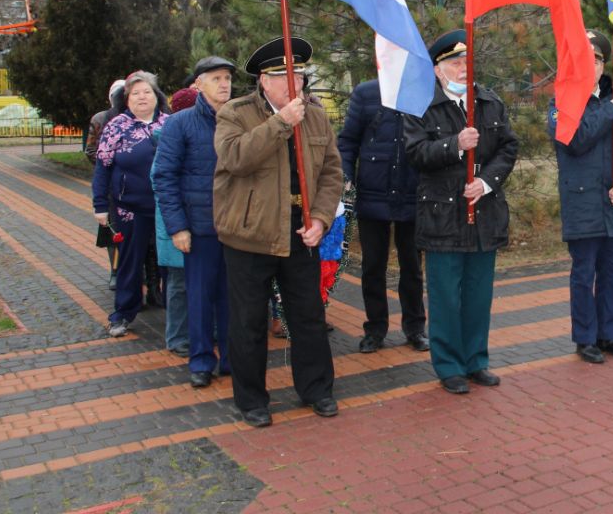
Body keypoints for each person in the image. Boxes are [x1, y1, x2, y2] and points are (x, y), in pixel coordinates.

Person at [213, 36, 342, 426]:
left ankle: (317, 388)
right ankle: (252, 400)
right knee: (249, 321)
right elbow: (235, 159)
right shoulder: (235, 114)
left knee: (308, 316)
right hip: (250, 234)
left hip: (300, 232)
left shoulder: (316, 116)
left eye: (299, 74)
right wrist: (280, 123)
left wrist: (320, 218)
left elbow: (333, 173)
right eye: (284, 75)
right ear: (263, 81)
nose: (295, 83)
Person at [404, 30, 518, 394]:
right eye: (454, 62)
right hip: (442, 217)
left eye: (466, 60)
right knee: (446, 296)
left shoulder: (488, 101)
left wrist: (486, 182)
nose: (462, 67)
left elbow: (508, 147)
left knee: (478, 294)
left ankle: (476, 360)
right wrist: (455, 144)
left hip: (483, 214)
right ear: (437, 70)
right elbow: (415, 153)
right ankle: (449, 365)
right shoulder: (420, 104)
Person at [548, 30, 613, 364]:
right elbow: (575, 140)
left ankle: (609, 334)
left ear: (604, 65)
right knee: (584, 274)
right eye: (586, 58)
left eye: (599, 58)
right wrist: (609, 113)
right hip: (582, 204)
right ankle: (585, 338)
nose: (593, 64)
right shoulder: (562, 101)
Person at [154, 59, 235, 388]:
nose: (224, 84)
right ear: (198, 85)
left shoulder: (240, 120)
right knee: (200, 298)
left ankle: (232, 358)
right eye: (216, 78)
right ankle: (201, 360)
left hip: (237, 228)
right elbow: (164, 177)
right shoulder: (181, 124)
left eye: (228, 78)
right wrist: (178, 227)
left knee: (234, 298)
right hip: (199, 228)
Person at [337, 78, 427, 354]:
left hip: (412, 192)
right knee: (372, 266)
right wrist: (345, 175)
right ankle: (375, 329)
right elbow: (348, 141)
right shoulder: (366, 93)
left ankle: (415, 329)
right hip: (373, 194)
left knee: (412, 267)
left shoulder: (422, 88)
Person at [92, 71, 170, 337]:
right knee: (129, 261)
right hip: (129, 208)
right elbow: (102, 166)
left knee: (171, 262)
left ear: (156, 95)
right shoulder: (116, 126)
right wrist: (100, 205)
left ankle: (176, 310)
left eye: (146, 91)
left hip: (166, 207)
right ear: (126, 99)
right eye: (135, 93)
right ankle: (123, 313)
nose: (142, 97)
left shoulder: (170, 123)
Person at [151, 86, 199, 359]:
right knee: (179, 285)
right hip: (177, 223)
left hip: (200, 221)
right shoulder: (168, 138)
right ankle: (177, 336)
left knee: (201, 283)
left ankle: (203, 330)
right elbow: (159, 180)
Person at [87, 78, 125, 290]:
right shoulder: (101, 119)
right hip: (111, 186)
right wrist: (109, 164)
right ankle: (114, 271)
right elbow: (90, 150)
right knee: (112, 232)